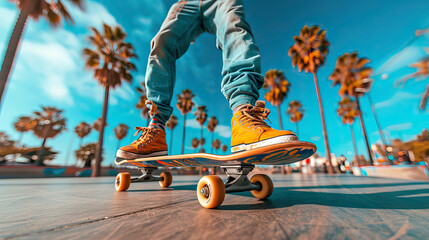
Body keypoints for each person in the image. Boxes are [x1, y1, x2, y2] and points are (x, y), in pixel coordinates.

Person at [116, 0, 297, 159]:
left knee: (235, 29)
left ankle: (244, 115)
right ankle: (156, 129)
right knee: (161, 41)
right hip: (187, 3)